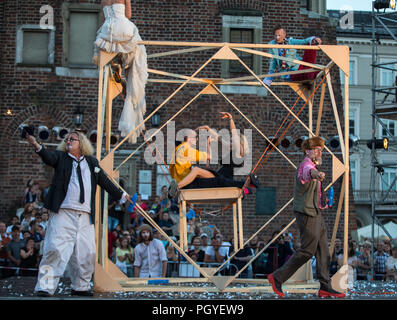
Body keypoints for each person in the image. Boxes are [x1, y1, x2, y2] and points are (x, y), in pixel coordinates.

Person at [26, 131, 130, 297]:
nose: (68, 141)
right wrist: (36, 145)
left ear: (81, 143)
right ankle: (45, 287)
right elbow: (48, 157)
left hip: (84, 215)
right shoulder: (61, 158)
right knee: (55, 249)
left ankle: (80, 286)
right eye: (67, 139)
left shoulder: (91, 162)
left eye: (72, 139)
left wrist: (122, 196)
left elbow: (104, 181)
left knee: (86, 252)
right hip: (63, 212)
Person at [267, 136, 345, 298]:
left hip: (315, 212)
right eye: (316, 150)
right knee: (307, 251)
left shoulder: (311, 164)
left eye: (320, 150)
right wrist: (317, 174)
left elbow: (313, 192)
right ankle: (277, 277)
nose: (319, 152)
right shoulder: (306, 165)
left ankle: (325, 286)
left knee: (324, 250)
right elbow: (308, 173)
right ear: (308, 151)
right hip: (307, 213)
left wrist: (324, 203)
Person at [93, 0, 148, 144]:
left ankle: (117, 65)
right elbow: (128, 15)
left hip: (107, 30)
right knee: (138, 50)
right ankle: (125, 66)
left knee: (111, 50)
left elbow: (105, 18)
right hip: (123, 28)